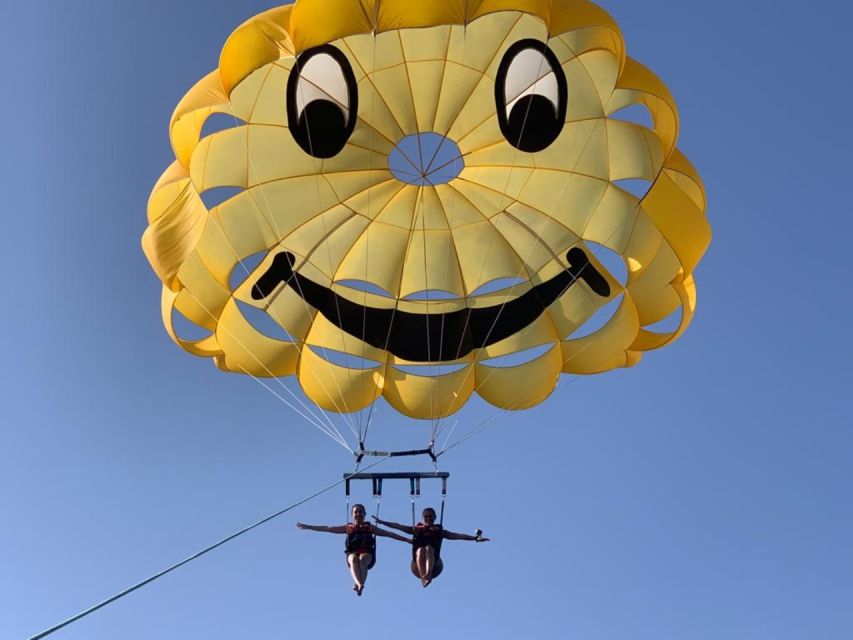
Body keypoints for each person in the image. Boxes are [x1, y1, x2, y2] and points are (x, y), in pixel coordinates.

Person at [297, 504, 411, 595]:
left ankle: (359, 584)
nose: (358, 514)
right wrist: (309, 527)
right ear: (352, 514)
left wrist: (406, 539)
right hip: (352, 553)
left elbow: (388, 534)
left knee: (362, 559)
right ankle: (359, 584)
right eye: (356, 512)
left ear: (364, 514)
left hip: (367, 554)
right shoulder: (348, 528)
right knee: (353, 559)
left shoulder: (370, 527)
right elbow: (328, 528)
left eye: (360, 512)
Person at [375, 507, 489, 587]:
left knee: (429, 548)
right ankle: (424, 577)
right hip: (417, 566)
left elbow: (457, 535)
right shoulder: (416, 530)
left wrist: (475, 539)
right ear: (422, 518)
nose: (428, 519)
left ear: (435, 517)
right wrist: (382, 522)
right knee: (420, 550)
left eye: (430, 516)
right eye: (426, 517)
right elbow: (398, 526)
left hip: (435, 565)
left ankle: (428, 575)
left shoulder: (439, 531)